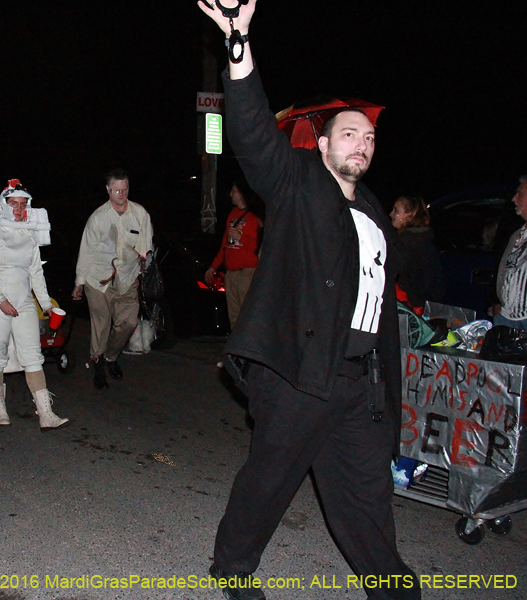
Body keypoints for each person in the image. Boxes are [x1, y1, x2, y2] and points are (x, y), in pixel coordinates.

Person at [199, 3, 420, 600]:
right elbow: (249, 135)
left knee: (366, 493)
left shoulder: (373, 211)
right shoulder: (299, 185)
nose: (363, 144)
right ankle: (233, 568)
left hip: (361, 381)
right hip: (301, 374)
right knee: (270, 480)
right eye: (350, 133)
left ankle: (391, 584)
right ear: (321, 144)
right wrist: (239, 45)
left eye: (370, 137)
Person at [0, 180, 68, 430]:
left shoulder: (29, 236)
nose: (19, 209)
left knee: (33, 356)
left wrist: (46, 304)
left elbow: (35, 273)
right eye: (14, 204)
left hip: (23, 302)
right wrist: (0, 300)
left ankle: (46, 413)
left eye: (23, 204)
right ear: (3, 205)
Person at [72, 168, 153, 389]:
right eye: (116, 189)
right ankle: (98, 364)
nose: (121, 193)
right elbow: (86, 251)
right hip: (98, 280)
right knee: (101, 324)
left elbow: (146, 246)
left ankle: (111, 356)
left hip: (127, 278)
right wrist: (79, 283)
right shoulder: (98, 218)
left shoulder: (140, 214)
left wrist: (144, 261)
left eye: (124, 189)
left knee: (128, 323)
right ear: (108, 189)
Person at [204, 179, 263, 329]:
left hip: (247, 272)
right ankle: (236, 348)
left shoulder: (255, 216)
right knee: (234, 315)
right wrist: (213, 266)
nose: (230, 194)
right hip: (231, 271)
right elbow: (225, 244)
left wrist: (241, 237)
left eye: (234, 191)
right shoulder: (233, 213)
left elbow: (261, 244)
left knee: (248, 312)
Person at [389, 195, 445, 314]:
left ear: (409, 215)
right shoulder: (423, 240)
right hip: (423, 309)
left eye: (396, 211)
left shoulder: (407, 244)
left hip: (410, 310)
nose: (391, 214)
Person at [491, 176, 527, 330]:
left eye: (520, 194)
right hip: (507, 316)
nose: (514, 199)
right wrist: (496, 301)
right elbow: (504, 270)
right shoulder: (517, 235)